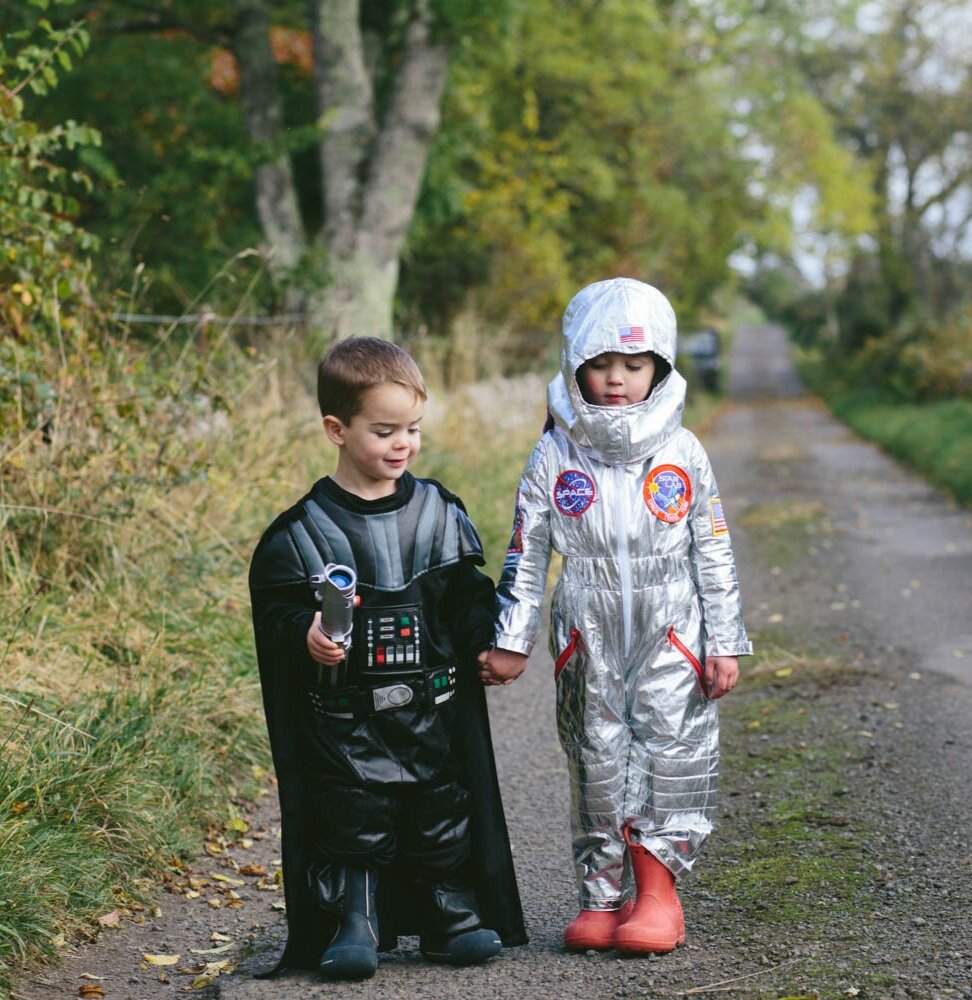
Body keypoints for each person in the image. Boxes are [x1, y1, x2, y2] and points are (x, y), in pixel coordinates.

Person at [482, 277, 752, 956]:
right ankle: (601, 898)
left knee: (671, 748)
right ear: (575, 367)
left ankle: (658, 893)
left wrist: (723, 639)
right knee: (595, 757)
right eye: (600, 365)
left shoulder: (683, 452)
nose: (616, 380)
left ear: (659, 367)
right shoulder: (555, 454)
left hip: (672, 625)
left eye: (634, 366)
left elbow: (713, 548)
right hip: (587, 625)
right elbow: (526, 550)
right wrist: (511, 638)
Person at [249, 336, 527, 980]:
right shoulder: (302, 533)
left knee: (440, 810)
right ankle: (355, 919)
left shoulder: (438, 513)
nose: (402, 444)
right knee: (355, 816)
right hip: (343, 721)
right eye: (384, 430)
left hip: (431, 711)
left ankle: (447, 914)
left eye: (413, 429)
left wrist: (488, 640)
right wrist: (307, 636)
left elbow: (466, 598)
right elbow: (281, 617)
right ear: (336, 430)